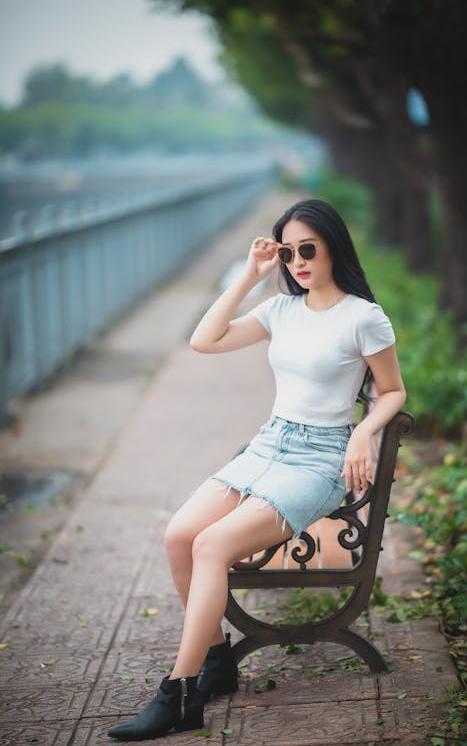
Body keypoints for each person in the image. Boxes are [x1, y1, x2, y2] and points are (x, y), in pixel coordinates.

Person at [108, 199, 406, 741]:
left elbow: (394, 391)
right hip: (269, 444)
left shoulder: (364, 316)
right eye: (289, 252)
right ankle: (219, 661)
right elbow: (204, 341)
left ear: (333, 245)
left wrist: (363, 432)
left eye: (307, 249)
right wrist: (250, 275)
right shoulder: (279, 309)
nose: (297, 262)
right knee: (179, 536)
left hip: (318, 460)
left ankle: (178, 693)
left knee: (210, 546)